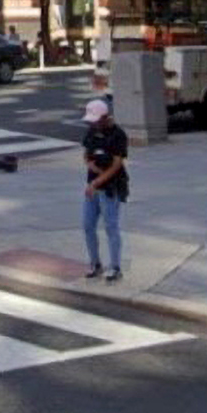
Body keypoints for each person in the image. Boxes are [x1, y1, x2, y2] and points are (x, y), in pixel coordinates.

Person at [81, 97, 129, 280]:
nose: (94, 125)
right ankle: (95, 264)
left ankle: (115, 267)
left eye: (96, 121)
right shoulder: (92, 132)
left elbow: (116, 165)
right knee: (87, 225)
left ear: (105, 117)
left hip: (111, 187)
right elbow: (86, 154)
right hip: (92, 186)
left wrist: (97, 181)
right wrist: (90, 165)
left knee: (111, 226)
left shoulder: (118, 135)